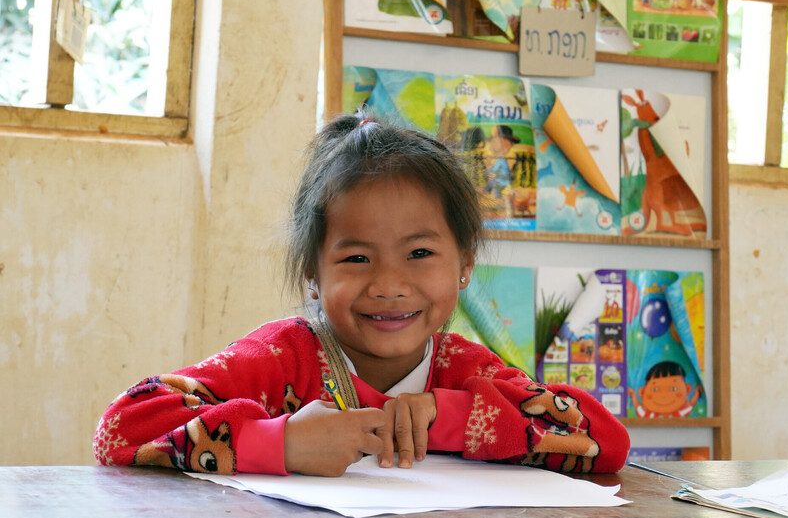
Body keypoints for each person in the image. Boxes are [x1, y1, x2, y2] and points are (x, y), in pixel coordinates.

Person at [92, 112, 630, 477]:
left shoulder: (464, 368)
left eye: (419, 254)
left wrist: (455, 417)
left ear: (464, 263)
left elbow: (603, 443)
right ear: (312, 271)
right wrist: (281, 443)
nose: (389, 286)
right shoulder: (282, 357)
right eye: (356, 258)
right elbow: (121, 429)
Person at [628, 360, 702, 418]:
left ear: (687, 389)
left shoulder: (679, 413)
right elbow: (639, 409)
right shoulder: (650, 415)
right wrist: (633, 396)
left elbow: (690, 406)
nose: (663, 395)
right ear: (642, 392)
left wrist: (697, 394)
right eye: (655, 389)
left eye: (673, 388)